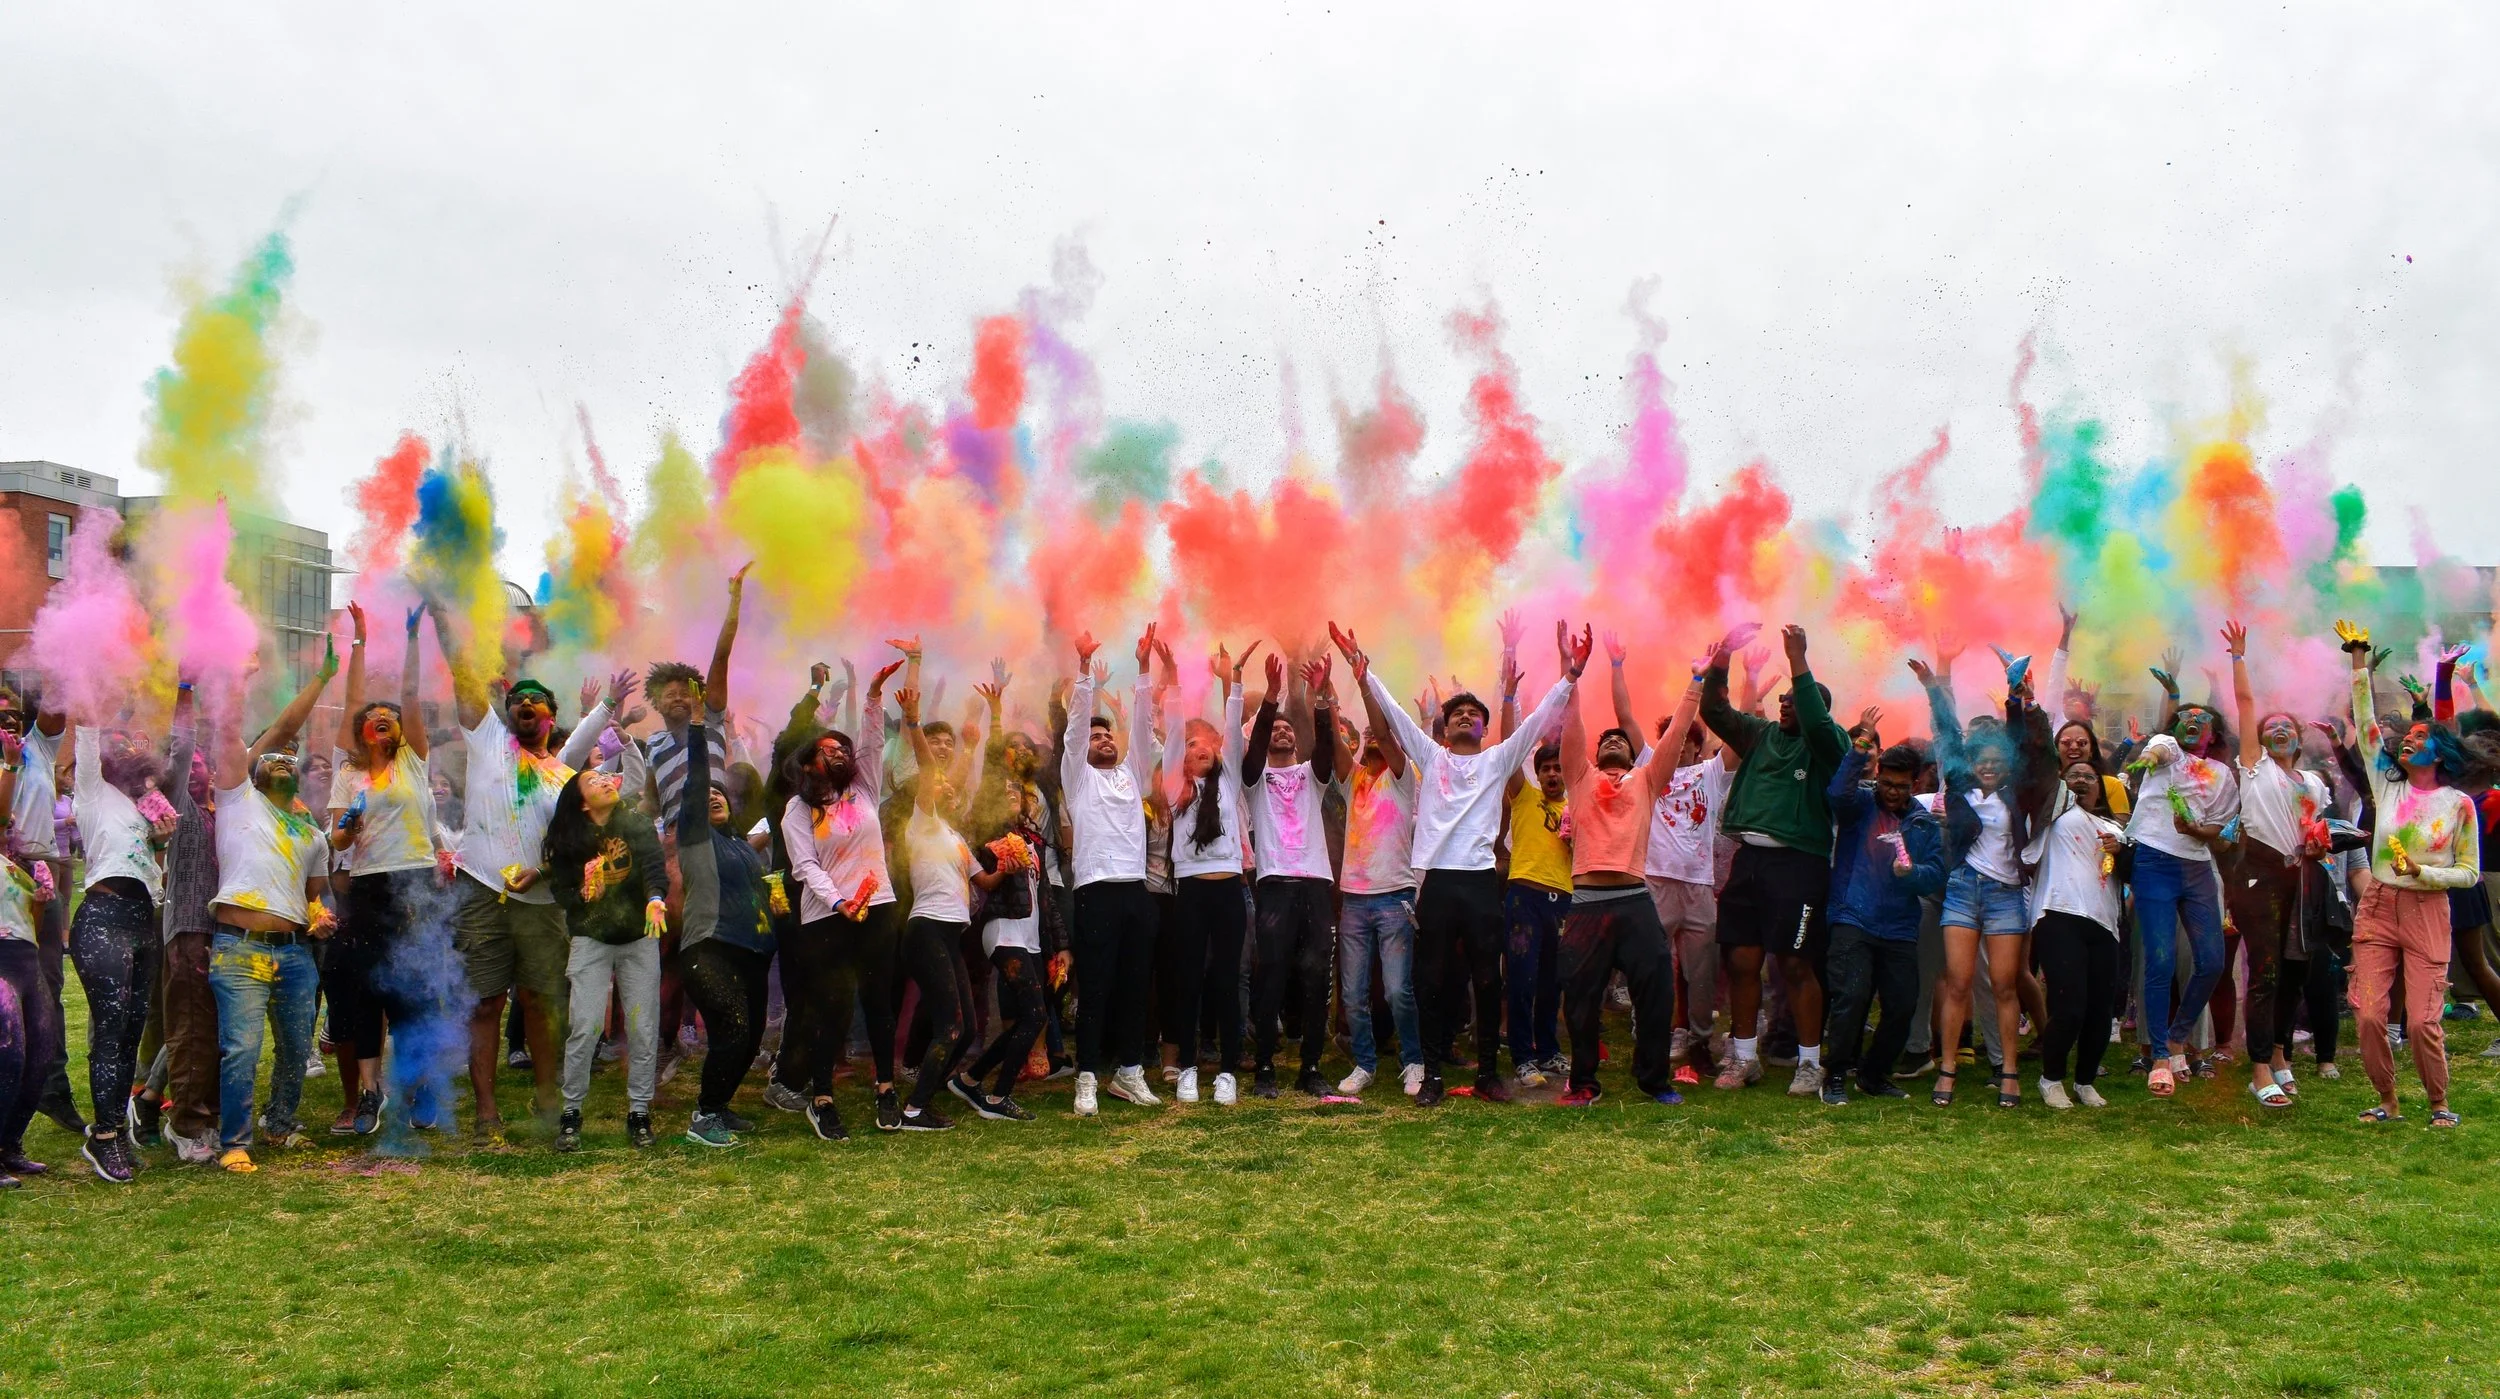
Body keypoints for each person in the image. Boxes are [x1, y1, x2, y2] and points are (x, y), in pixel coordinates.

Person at [1332, 618, 1584, 1107]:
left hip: (1480, 883)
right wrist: (1363, 672)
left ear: (1485, 727)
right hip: (1438, 884)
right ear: (1444, 729)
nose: (1466, 717)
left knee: (1489, 977)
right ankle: (1430, 1076)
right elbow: (1395, 722)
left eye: (1474, 713)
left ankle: (1489, 1073)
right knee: (1430, 979)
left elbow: (1535, 722)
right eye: (1457, 713)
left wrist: (1569, 678)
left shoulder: (1498, 759)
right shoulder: (1432, 755)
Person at [433, 601, 599, 1140]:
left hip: (543, 905)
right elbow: (463, 681)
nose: (525, 704)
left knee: (542, 1002)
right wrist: (444, 619)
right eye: (517, 700)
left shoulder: (566, 777)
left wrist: (546, 873)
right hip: (482, 891)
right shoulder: (489, 743)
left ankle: (548, 1103)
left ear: (551, 717)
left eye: (536, 701)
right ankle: (485, 1113)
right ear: (508, 714)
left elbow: (575, 845)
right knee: (484, 1002)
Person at [1696, 623, 1850, 1097]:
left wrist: (1798, 658)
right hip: (1750, 863)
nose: (1786, 704)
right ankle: (1744, 1057)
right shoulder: (1759, 735)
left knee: (1797, 963)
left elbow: (1818, 724)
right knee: (1742, 960)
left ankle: (1809, 1062)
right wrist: (1722, 654)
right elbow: (1714, 710)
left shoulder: (1830, 744)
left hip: (1798, 866)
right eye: (1782, 699)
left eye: (1796, 700)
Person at [1551, 631, 1704, 1106]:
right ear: (1595, 756)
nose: (1616, 740)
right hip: (1587, 906)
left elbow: (1677, 735)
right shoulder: (1579, 777)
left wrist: (1696, 680)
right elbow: (1570, 724)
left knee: (1656, 992)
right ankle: (1583, 1084)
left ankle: (1654, 1080)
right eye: (1608, 739)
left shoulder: (1647, 779)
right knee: (1579, 1000)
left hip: (1636, 902)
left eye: (1622, 738)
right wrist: (1571, 672)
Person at [2337, 621, 2478, 1128]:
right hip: (2378, 904)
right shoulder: (2388, 784)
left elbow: (2469, 874)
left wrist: (2425, 873)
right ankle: (2387, 1099)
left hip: (2427, 910)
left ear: (2438, 752)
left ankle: (2439, 1103)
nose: (2405, 741)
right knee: (2371, 1014)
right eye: (2406, 736)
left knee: (2421, 1021)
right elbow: (2366, 721)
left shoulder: (2457, 804)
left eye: (2419, 736)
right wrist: (2358, 661)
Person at [203, 658, 340, 1172]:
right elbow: (276, 729)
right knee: (241, 1048)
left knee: (294, 1047)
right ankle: (234, 1143)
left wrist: (318, 917)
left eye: (289, 757)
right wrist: (237, 680)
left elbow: (312, 897)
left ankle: (280, 1125)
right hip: (238, 948)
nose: (282, 758)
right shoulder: (237, 799)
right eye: (271, 757)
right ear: (252, 772)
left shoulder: (312, 835)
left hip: (295, 955)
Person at [325, 602, 444, 1136]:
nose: (384, 716)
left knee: (414, 989)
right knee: (371, 990)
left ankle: (417, 1089)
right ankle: (371, 1093)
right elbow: (337, 840)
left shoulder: (414, 761)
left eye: (391, 714)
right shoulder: (348, 776)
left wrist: (413, 637)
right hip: (368, 886)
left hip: (415, 881)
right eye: (373, 716)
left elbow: (413, 694)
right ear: (361, 730)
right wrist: (359, 642)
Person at [1912, 646, 2050, 1108]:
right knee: (1958, 982)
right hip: (1962, 892)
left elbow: (2023, 739)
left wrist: (2015, 696)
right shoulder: (1960, 787)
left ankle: (2009, 1072)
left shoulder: (2017, 792)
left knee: (2007, 985)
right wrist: (1935, 688)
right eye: (1980, 759)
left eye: (1996, 759)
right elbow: (1949, 735)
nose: (1988, 764)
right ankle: (1947, 1069)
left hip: (2007, 896)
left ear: (2007, 764)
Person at [778, 649, 906, 1141]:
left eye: (841, 749)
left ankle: (885, 1089)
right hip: (827, 917)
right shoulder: (799, 809)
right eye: (828, 749)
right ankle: (822, 1097)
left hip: (877, 908)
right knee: (832, 1003)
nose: (839, 753)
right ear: (809, 762)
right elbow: (805, 866)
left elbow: (873, 744)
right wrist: (838, 902)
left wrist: (873, 695)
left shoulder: (864, 791)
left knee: (878, 1000)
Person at [2217, 619, 2334, 1108]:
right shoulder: (2254, 767)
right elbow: (2246, 706)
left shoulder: (2314, 782)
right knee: (2263, 969)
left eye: (2287, 726)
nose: (2279, 729)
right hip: (2258, 874)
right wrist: (2239, 658)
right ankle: (2259, 1067)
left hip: (2302, 877)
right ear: (2261, 742)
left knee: (2295, 970)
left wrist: (2321, 845)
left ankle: (2281, 1052)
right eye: (2272, 728)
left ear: (2300, 736)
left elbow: (2316, 831)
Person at [892, 685, 1017, 1130]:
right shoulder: (922, 824)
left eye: (949, 787)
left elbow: (982, 881)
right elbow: (930, 767)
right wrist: (912, 721)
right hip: (925, 929)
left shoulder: (956, 838)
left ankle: (924, 1098)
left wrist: (1007, 863)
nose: (946, 785)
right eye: (939, 785)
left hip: (949, 934)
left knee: (963, 1030)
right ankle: (913, 1109)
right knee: (950, 1024)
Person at [64, 708, 180, 1182]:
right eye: (122, 742)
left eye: (135, 742)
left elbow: (148, 868)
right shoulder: (92, 792)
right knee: (110, 1034)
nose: (130, 747)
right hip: (103, 917)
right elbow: (87, 730)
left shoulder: (144, 804)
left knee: (130, 1035)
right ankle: (105, 1137)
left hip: (142, 918)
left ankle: (113, 1126)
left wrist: (160, 842)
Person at [1060, 626, 1161, 1116]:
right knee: (1096, 985)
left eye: (1107, 735)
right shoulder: (1077, 779)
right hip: (1095, 891)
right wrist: (1084, 672)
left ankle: (1129, 1072)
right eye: (1095, 737)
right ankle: (1086, 1078)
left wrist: (1144, 670)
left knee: (1135, 984)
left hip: (1135, 893)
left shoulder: (1133, 774)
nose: (1102, 740)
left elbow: (1142, 728)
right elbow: (1076, 726)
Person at [2123, 677, 2239, 1098]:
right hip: (2154, 861)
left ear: (2213, 733)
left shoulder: (2224, 775)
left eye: (2201, 720)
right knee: (2160, 961)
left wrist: (2195, 828)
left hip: (2197, 868)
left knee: (2211, 960)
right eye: (2185, 720)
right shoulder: (2165, 751)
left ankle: (2176, 1038)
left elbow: (2222, 831)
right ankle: (2159, 1057)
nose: (2192, 724)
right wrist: (2148, 756)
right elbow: (2159, 748)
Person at [1820, 724, 1948, 1106]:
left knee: (1903, 1003)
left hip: (1898, 927)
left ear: (1915, 783)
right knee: (1852, 997)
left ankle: (1875, 1074)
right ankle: (1836, 1075)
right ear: (1878, 778)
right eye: (1887, 784)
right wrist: (1859, 749)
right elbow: (1835, 793)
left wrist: (1913, 875)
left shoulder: (1923, 821)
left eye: (1902, 786)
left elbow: (1936, 872)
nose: (1893, 792)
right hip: (1852, 916)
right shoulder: (1859, 804)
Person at [543, 762, 669, 1151]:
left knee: (643, 1027)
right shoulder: (567, 838)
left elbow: (653, 866)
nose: (604, 780)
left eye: (605, 777)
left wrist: (655, 899)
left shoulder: (635, 823)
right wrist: (582, 897)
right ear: (582, 803)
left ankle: (639, 1112)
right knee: (584, 1026)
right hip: (591, 939)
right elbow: (561, 889)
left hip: (639, 936)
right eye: (592, 780)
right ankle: (571, 1112)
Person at [1244, 651, 1343, 1099]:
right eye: (1275, 730)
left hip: (1316, 885)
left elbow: (1326, 752)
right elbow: (1258, 738)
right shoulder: (1253, 778)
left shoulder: (1311, 775)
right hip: (1275, 886)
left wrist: (1321, 700)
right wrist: (1271, 697)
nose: (1282, 731)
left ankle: (1311, 1068)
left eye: (1289, 728)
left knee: (1316, 973)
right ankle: (1265, 1067)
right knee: (1272, 976)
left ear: (1298, 745)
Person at [680, 697, 778, 1147]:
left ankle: (719, 1106)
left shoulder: (741, 846)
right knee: (733, 1027)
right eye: (708, 795)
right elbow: (699, 778)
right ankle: (703, 1117)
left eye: (721, 794)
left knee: (751, 1035)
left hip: (753, 951)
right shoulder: (696, 838)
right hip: (710, 946)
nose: (713, 796)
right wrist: (700, 727)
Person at [1159, 642, 1250, 1105]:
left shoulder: (1230, 780)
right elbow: (1174, 731)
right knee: (1189, 980)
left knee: (1225, 981)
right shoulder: (1177, 787)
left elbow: (1232, 728)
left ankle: (1228, 1072)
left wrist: (1230, 680)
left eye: (1207, 743)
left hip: (1229, 892)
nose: (1201, 748)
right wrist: (1172, 676)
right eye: (1191, 745)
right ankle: (1191, 1067)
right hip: (1191, 894)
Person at [2026, 756, 2131, 1108]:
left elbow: (2133, 875)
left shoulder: (2114, 830)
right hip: (2059, 914)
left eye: (2090, 776)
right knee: (2069, 1006)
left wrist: (2123, 853)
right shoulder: (2052, 817)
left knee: (2100, 1011)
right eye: (2074, 775)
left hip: (2105, 926)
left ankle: (2085, 1081)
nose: (2082, 780)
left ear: (2101, 788)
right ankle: (2051, 1079)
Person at [0, 689, 79, 1141]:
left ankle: (52, 1088)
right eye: (1, 718)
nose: (9, 724)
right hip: (4, 879)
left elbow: (53, 712)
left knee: (45, 991)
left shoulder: (37, 749)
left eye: (14, 716)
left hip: (39, 876)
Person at [1335, 686, 1422, 1097]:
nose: (1372, 736)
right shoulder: (1354, 778)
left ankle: (1413, 1060)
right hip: (1353, 897)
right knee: (1353, 993)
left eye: (1378, 732)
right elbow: (1333, 743)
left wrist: (1365, 683)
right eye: (1366, 733)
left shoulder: (1403, 778)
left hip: (1394, 896)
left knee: (1396, 990)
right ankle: (1365, 1064)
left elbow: (1387, 736)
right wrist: (1325, 697)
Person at [0, 731, 60, 1187]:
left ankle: (11, 1145)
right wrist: (12, 764)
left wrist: (40, 898)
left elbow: (33, 925)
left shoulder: (19, 864)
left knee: (39, 1053)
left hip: (25, 959)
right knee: (10, 1055)